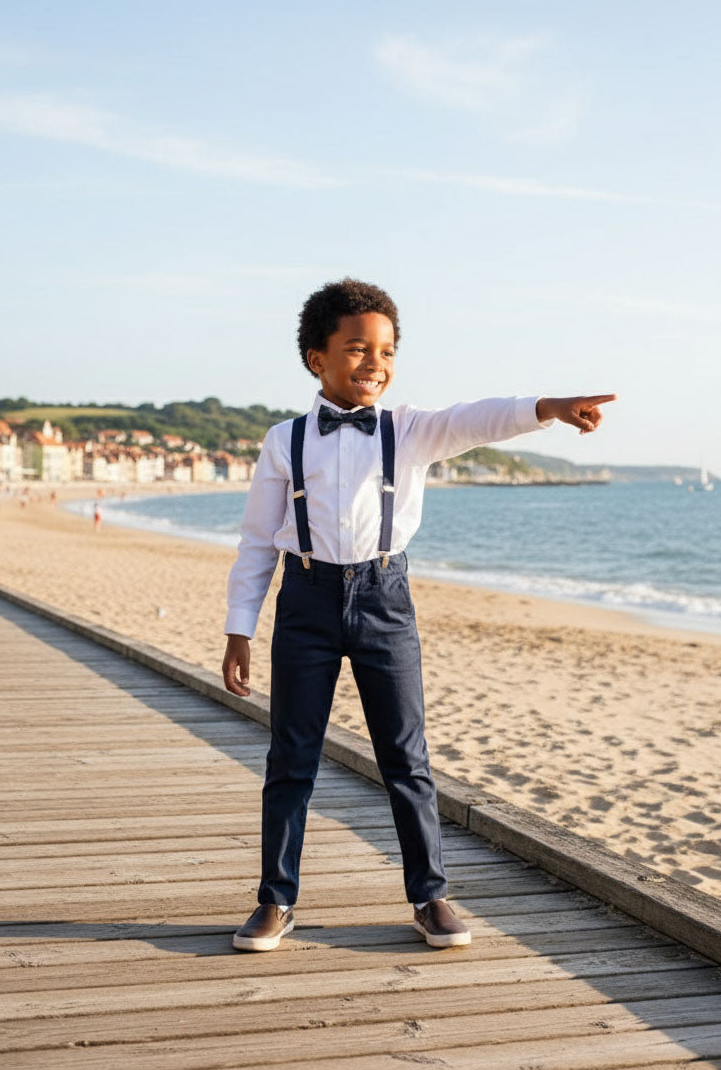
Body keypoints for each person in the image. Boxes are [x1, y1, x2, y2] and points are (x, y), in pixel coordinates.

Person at [222, 278, 615, 953]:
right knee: (291, 757)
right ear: (317, 357)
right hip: (306, 600)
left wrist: (547, 407)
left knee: (406, 756)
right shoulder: (284, 440)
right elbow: (258, 539)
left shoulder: (408, 429)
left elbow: (478, 418)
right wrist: (239, 627)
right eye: (357, 348)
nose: (374, 362)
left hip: (385, 598)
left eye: (386, 351)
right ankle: (275, 899)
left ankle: (429, 896)